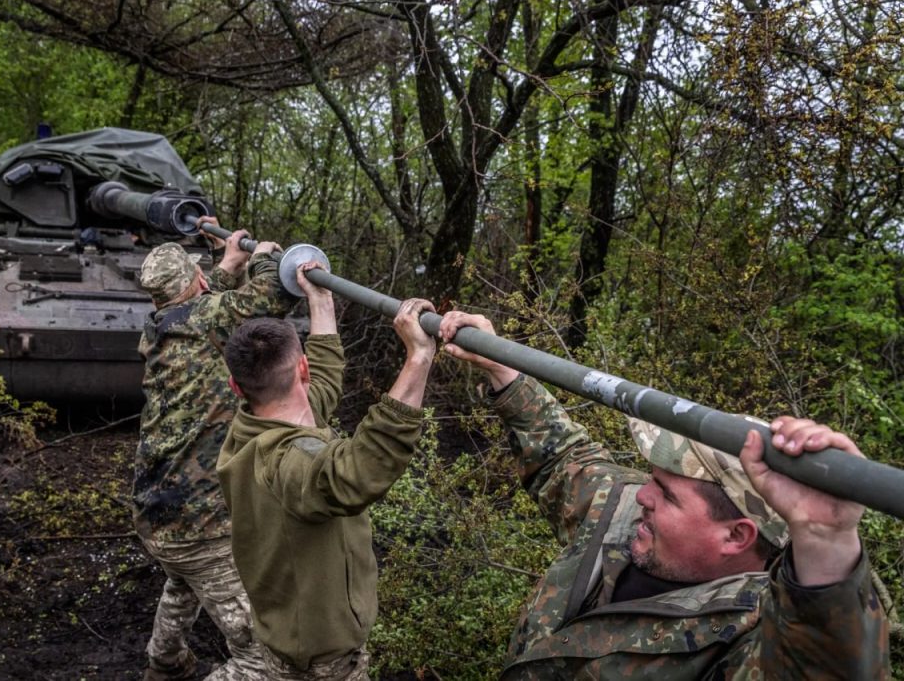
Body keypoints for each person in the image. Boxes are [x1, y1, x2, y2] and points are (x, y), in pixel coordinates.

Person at [438, 310, 889, 679]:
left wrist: (826, 540)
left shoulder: (751, 634)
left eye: (668, 494)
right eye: (651, 479)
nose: (641, 496)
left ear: (736, 536)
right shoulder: (619, 511)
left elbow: (823, 668)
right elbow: (561, 457)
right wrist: (503, 367)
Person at [217, 262, 436, 680]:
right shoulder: (289, 462)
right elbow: (358, 469)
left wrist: (320, 298)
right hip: (320, 661)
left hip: (285, 631)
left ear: (236, 387)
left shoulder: (253, 421)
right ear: (301, 369)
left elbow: (324, 381)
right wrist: (419, 357)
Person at [134, 217, 295, 681]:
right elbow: (271, 299)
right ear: (196, 282)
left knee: (181, 579)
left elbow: (202, 300)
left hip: (155, 513)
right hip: (201, 524)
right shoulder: (209, 318)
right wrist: (264, 257)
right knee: (264, 658)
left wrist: (227, 262)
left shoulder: (156, 328)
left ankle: (165, 664)